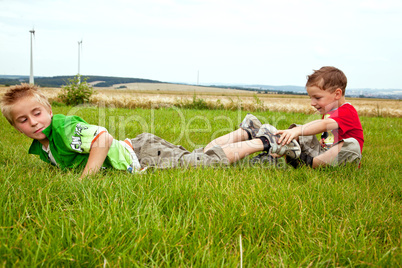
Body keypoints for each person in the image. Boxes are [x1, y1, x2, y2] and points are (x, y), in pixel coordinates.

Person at [0, 84, 300, 179]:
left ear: (49, 110)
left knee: (203, 163)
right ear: (15, 126)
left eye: (37, 113)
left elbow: (102, 138)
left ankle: (265, 141)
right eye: (23, 120)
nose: (34, 122)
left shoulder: (64, 129)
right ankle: (246, 131)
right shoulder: (44, 146)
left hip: (142, 153)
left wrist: (86, 179)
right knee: (199, 157)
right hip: (142, 149)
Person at [205, 66, 364, 168]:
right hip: (324, 152)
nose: (312, 103)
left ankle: (308, 163)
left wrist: (299, 131)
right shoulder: (329, 111)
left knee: (352, 145)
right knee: (294, 131)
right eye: (311, 98)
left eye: (317, 98)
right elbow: (324, 136)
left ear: (337, 94)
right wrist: (294, 132)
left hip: (340, 159)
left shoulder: (346, 111)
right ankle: (272, 151)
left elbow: (325, 126)